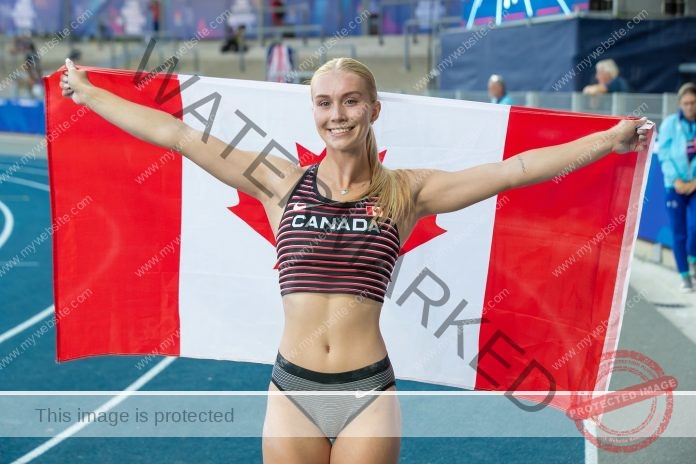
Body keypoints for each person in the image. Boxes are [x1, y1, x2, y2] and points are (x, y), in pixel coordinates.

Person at [59, 57, 647, 463]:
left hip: (368, 389)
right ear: (312, 111)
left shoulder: (407, 191)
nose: (336, 114)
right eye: (323, 103)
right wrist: (89, 94)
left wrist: (607, 140)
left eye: (349, 101)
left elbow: (511, 172)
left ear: (372, 109)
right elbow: (175, 134)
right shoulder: (279, 183)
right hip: (292, 388)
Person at [657, 82, 696, 292]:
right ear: (680, 104)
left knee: (695, 227)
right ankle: (684, 275)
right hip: (675, 186)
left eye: (693, 103)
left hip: (695, 185)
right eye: (686, 103)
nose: (690, 107)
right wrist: (676, 181)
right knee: (679, 231)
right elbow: (663, 154)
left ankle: (693, 256)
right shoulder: (671, 124)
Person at [11, 34, 43, 99]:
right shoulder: (30, 56)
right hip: (33, 76)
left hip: (35, 79)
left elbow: (35, 74)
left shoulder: (33, 59)